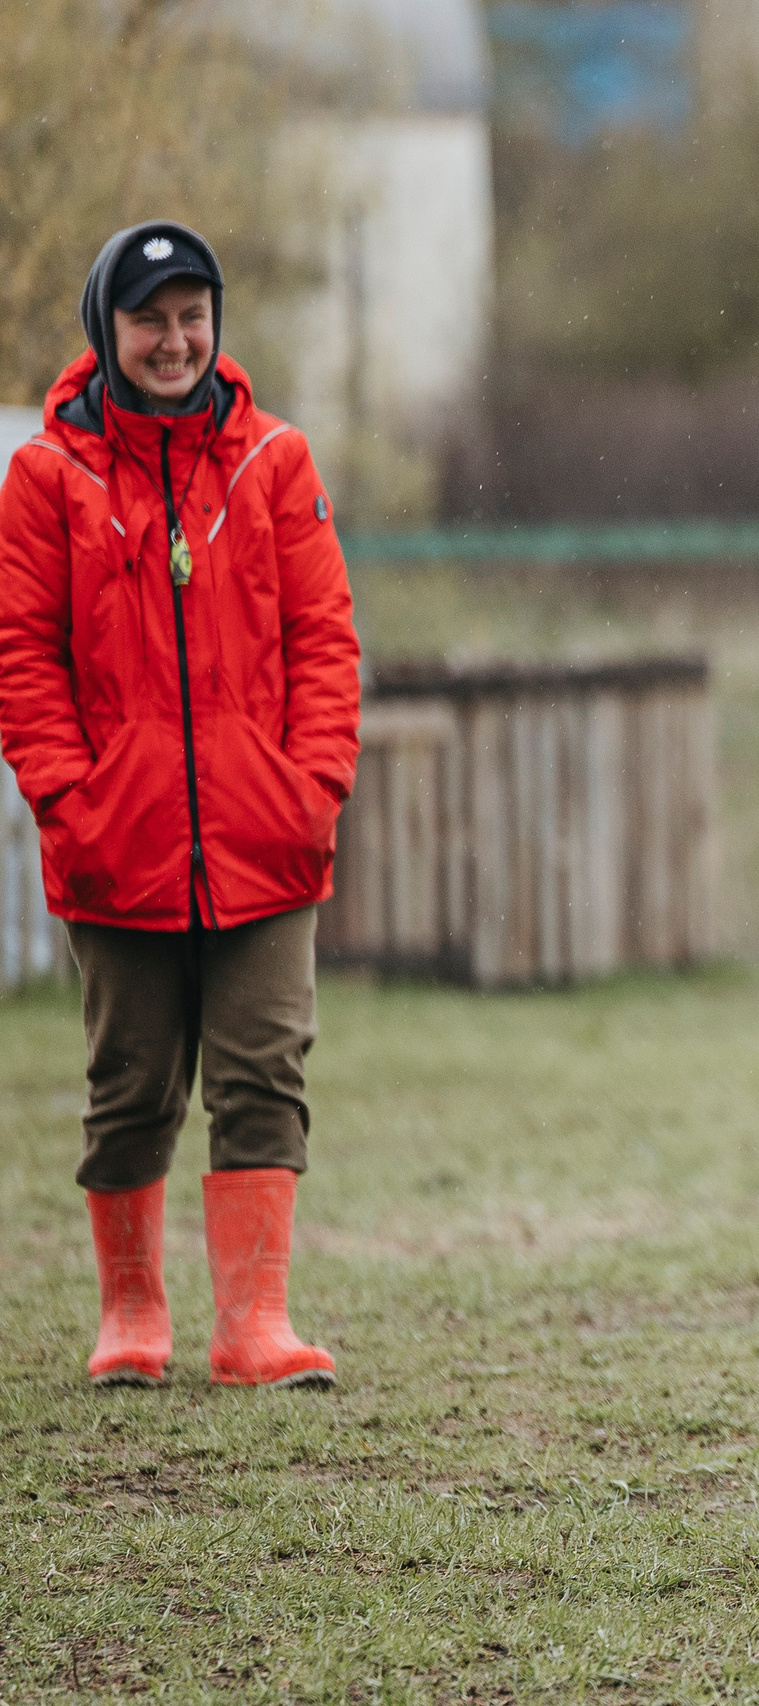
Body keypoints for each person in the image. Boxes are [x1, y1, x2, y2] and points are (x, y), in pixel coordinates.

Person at [0, 221, 360, 1390]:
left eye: (192, 313)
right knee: (131, 1086)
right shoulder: (46, 478)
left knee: (265, 1074)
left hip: (266, 843)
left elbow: (326, 644)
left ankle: (254, 1324)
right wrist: (70, 799)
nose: (174, 338)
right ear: (107, 330)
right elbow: (24, 660)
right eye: (149, 317)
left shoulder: (276, 463)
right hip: (119, 851)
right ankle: (131, 1315)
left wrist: (310, 792)